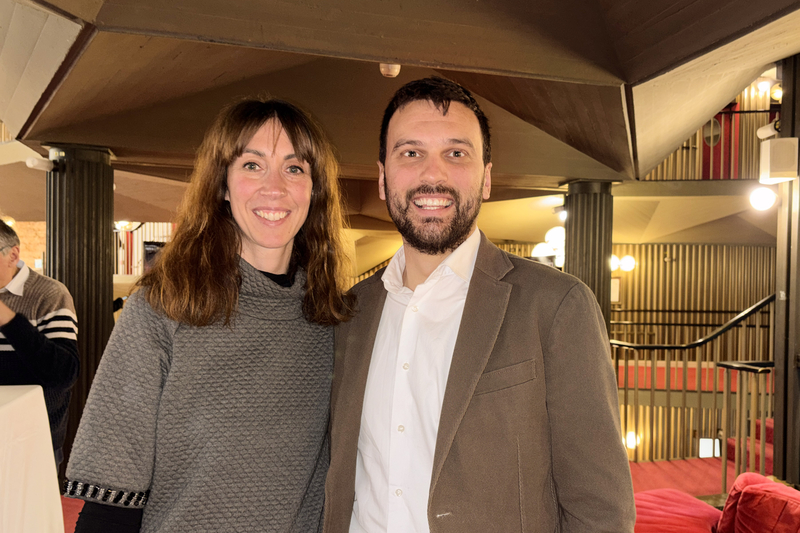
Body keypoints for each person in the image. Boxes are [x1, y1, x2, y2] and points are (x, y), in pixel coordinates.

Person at [324, 77, 635, 532]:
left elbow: (601, 511)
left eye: (456, 153)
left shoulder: (556, 307)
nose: (433, 175)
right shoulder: (347, 314)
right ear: (383, 178)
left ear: (486, 178)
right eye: (410, 153)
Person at [64, 98, 355, 532]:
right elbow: (110, 500)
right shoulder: (164, 309)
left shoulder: (334, 321)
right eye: (252, 165)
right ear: (223, 185)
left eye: (294, 168)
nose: (274, 187)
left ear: (314, 191)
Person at [0, 220, 79, 468]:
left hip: (31, 441)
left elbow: (63, 374)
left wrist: (7, 318)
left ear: (13, 255)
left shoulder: (49, 294)